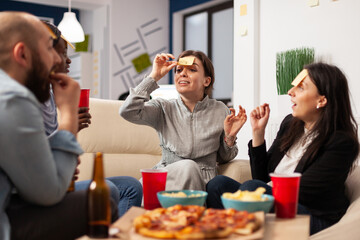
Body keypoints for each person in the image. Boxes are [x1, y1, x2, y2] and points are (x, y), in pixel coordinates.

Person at [0, 12, 119, 240]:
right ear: (22, 54)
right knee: (99, 203)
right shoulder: (13, 98)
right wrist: (68, 114)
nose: (57, 60)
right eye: (48, 49)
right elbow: (50, 192)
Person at [206, 62, 359, 235]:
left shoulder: (341, 142)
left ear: (321, 100)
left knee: (252, 188)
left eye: (301, 88)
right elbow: (262, 177)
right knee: (217, 185)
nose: (290, 92)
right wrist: (258, 133)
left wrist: (260, 193)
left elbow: (306, 192)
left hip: (312, 215)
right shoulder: (290, 124)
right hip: (277, 203)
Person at [41, 21, 143, 217]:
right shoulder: (22, 100)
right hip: (39, 191)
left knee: (130, 186)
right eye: (63, 54)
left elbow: (56, 150)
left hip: (55, 181)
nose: (68, 61)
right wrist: (69, 121)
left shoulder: (51, 96)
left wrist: (74, 128)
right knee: (110, 190)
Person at [120, 51, 247, 190]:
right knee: (188, 166)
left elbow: (224, 158)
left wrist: (229, 138)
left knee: (192, 168)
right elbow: (127, 111)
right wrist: (154, 76)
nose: (182, 74)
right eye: (179, 70)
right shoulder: (163, 107)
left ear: (207, 81)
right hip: (168, 178)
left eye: (192, 69)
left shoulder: (220, 110)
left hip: (203, 183)